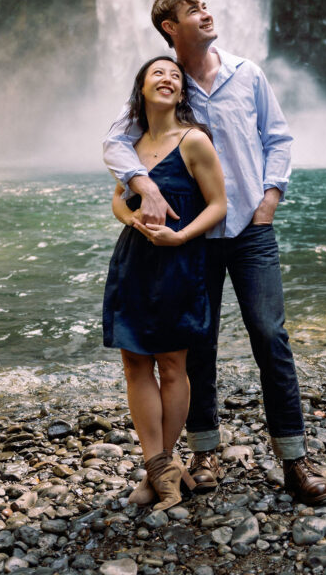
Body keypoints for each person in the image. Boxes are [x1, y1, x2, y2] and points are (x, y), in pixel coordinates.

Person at [103, 0, 326, 505]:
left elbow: (278, 138)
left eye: (207, 6)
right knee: (196, 340)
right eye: (193, 11)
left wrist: (270, 197)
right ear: (169, 27)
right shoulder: (166, 85)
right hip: (195, 240)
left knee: (270, 336)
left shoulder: (246, 73)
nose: (207, 14)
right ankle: (203, 452)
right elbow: (117, 142)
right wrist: (146, 186)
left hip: (251, 229)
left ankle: (294, 460)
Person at [102, 54, 227, 511]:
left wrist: (181, 236)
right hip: (134, 261)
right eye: (159, 73)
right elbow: (118, 199)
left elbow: (218, 205)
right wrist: (134, 220)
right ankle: (158, 467)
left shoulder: (194, 141)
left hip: (178, 262)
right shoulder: (129, 146)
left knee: (172, 366)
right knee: (135, 364)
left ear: (182, 92)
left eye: (176, 75)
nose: (168, 78)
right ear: (141, 89)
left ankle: (164, 465)